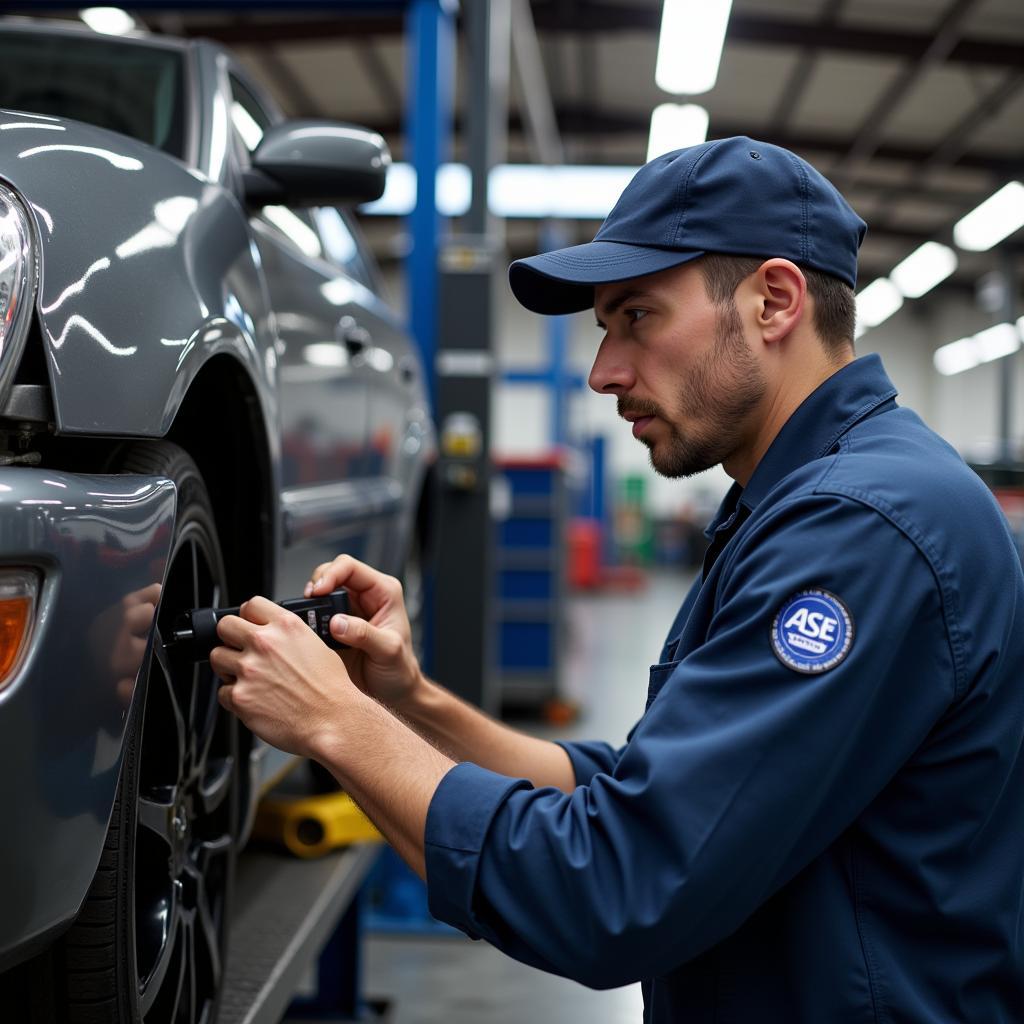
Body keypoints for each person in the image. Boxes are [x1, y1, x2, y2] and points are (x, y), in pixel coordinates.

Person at [211, 137, 1024, 1022]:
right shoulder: (801, 500)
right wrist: (407, 703)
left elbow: (613, 889)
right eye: (605, 329)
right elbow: (641, 788)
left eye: (637, 316)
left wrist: (336, 721)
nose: (605, 372)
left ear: (774, 301)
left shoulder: (861, 529)